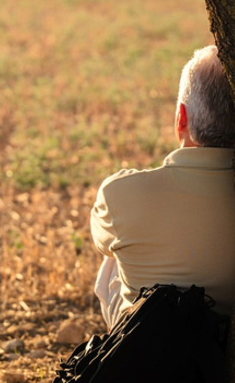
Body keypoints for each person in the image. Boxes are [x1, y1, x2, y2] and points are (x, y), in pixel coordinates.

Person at [91, 45, 235, 329]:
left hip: (150, 350)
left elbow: (100, 242)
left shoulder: (120, 193)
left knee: (114, 255)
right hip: (221, 345)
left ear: (181, 117)